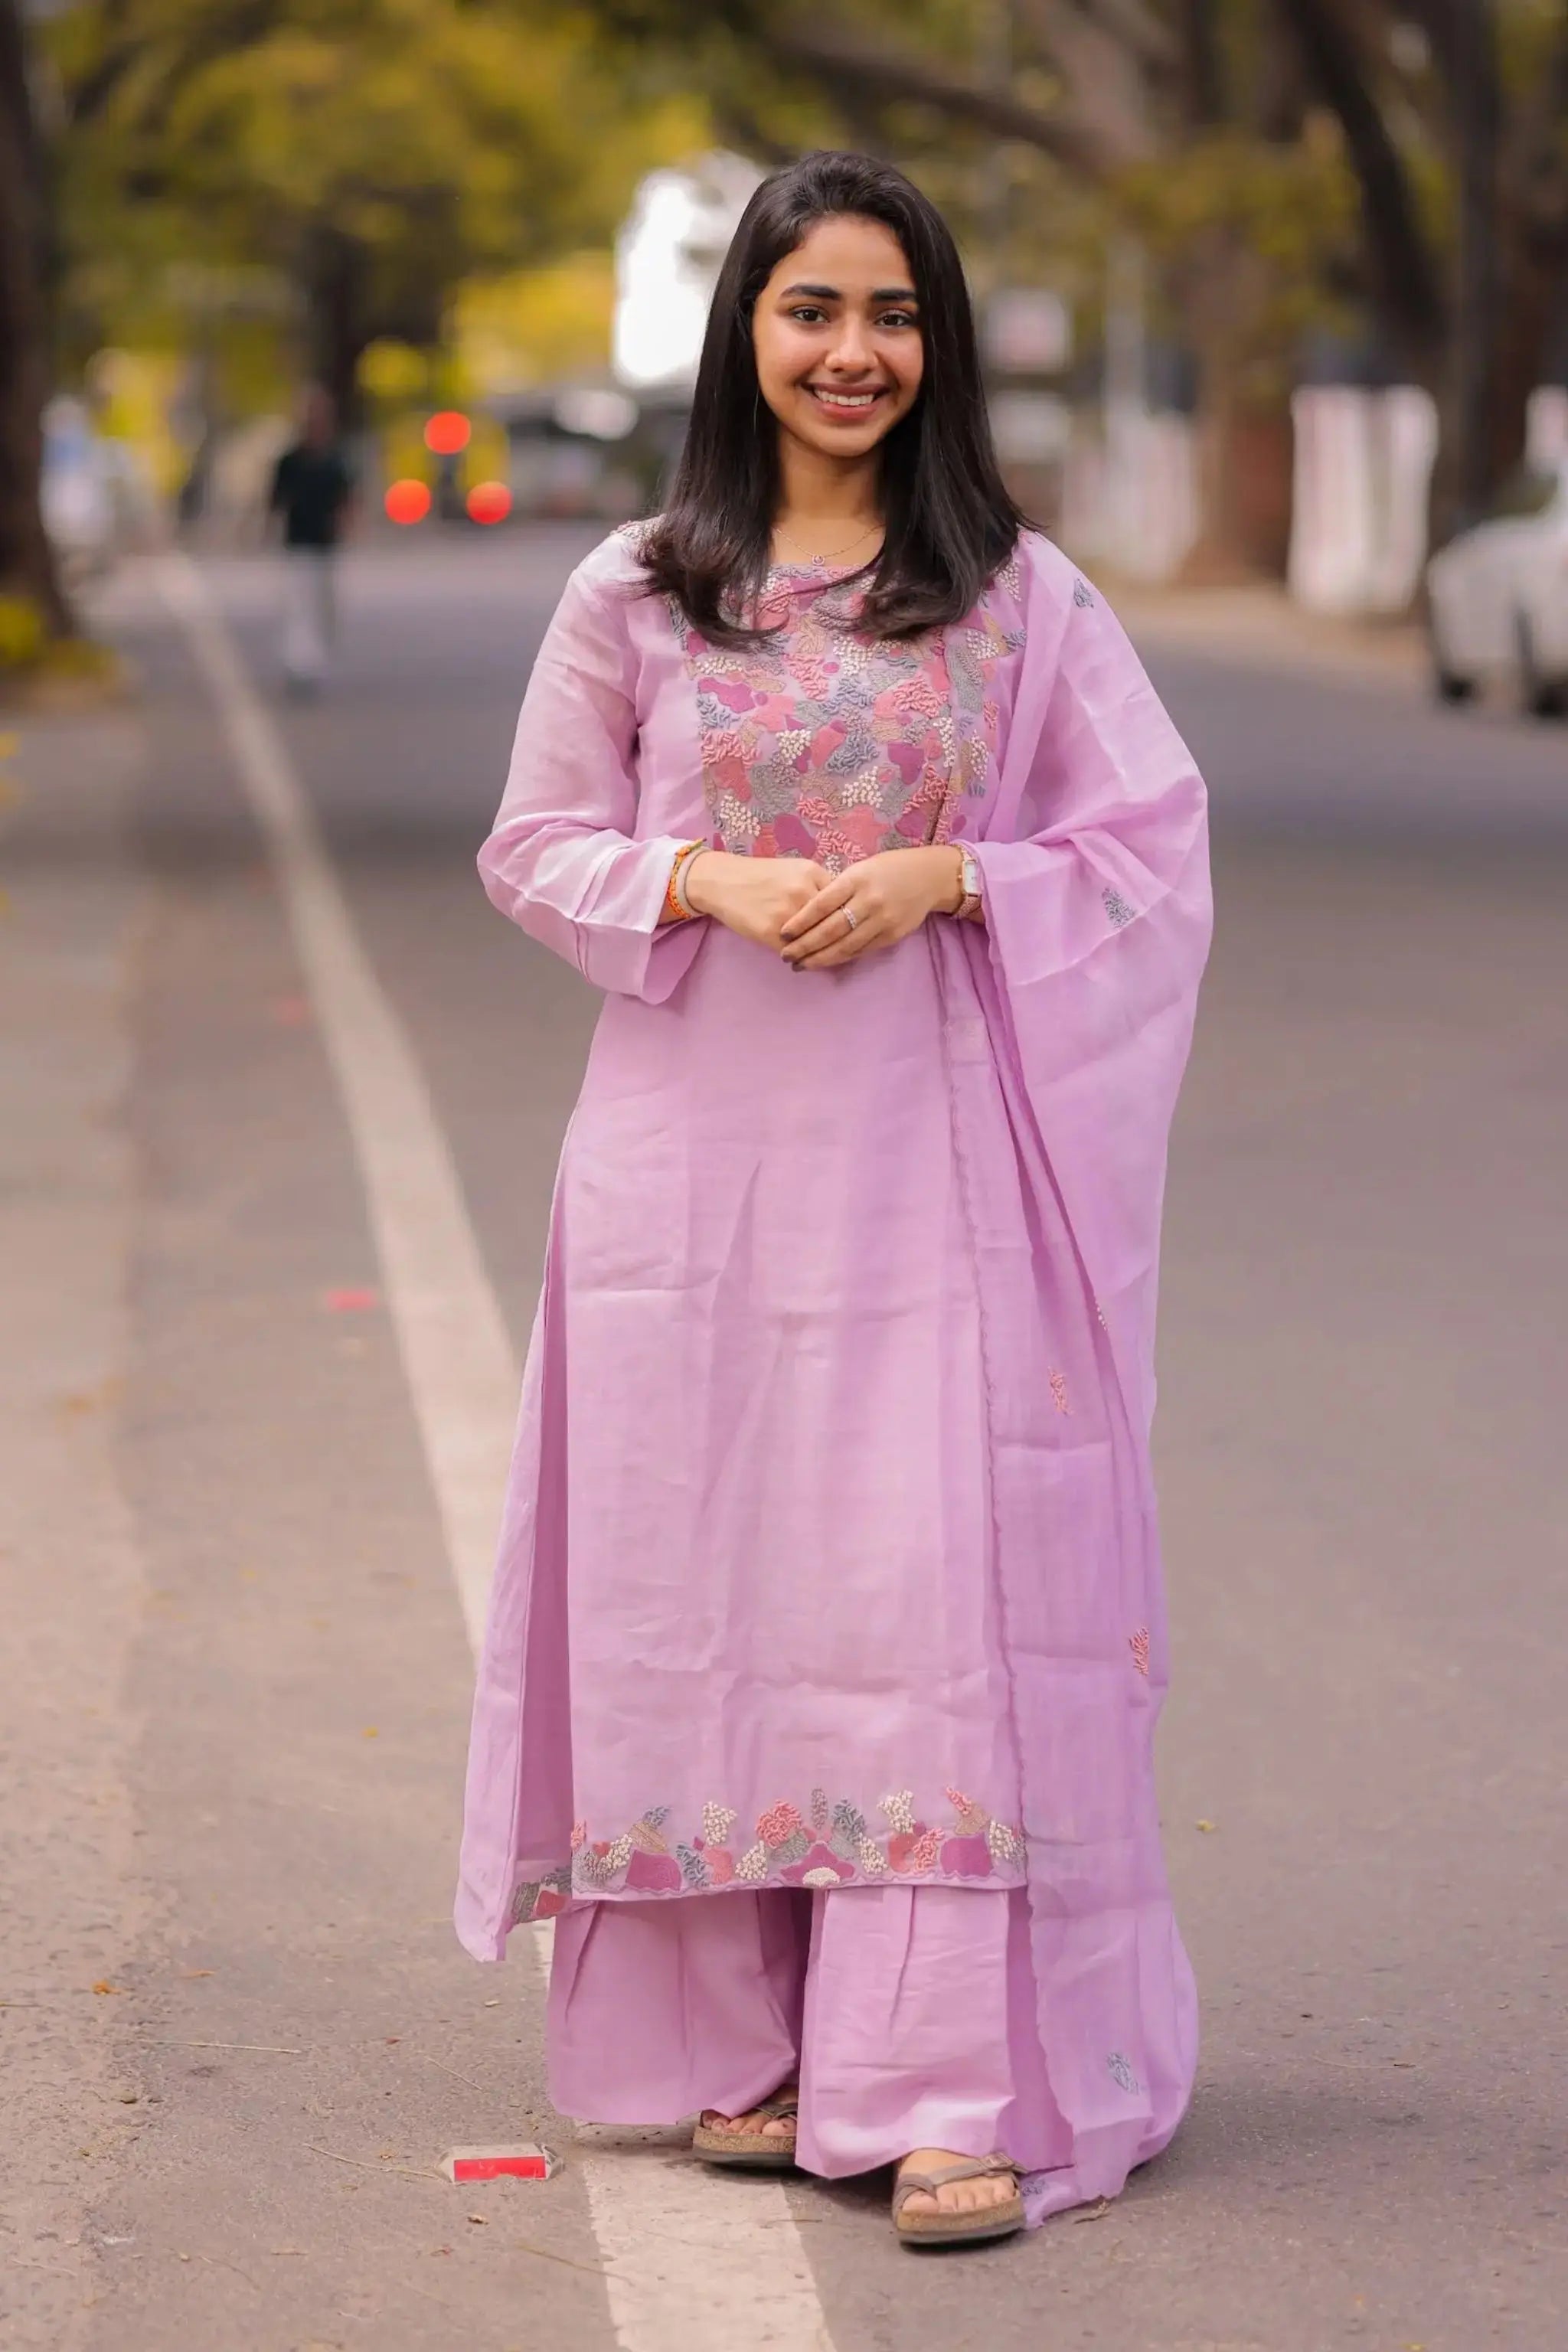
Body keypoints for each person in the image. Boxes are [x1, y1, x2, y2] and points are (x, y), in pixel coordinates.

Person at [456, 150, 1210, 2247]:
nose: (854, 352)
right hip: (685, 1178)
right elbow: (533, 844)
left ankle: (942, 2074)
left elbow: (1147, 843)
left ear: (936, 343)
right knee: (712, 1583)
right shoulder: (636, 588)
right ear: (750, 336)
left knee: (921, 1596)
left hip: (934, 1172)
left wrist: (957, 870)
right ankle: (748, 2049)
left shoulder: (1020, 597)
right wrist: (697, 874)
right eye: (813, 312)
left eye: (891, 315)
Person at [268, 387, 354, 694]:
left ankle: (315, 659)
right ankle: (302, 666)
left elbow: (346, 499)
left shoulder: (335, 461)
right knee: (300, 607)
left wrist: (347, 527)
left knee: (324, 609)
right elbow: (276, 501)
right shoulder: (290, 461)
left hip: (326, 546)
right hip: (298, 544)